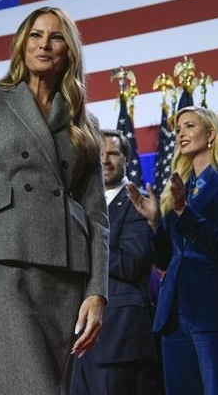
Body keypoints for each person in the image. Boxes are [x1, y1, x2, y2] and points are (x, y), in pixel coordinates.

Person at [0, 6, 109, 395]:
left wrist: (97, 292)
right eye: (35, 35)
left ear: (70, 51)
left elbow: (97, 216)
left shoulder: (85, 123)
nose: (44, 44)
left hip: (62, 273)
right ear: (21, 44)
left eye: (56, 36)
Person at [128, 106, 218, 395]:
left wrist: (184, 212)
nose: (181, 134)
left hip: (216, 313)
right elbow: (166, 259)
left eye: (189, 126)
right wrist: (155, 222)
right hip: (175, 316)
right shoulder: (179, 188)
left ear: (210, 134)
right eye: (178, 129)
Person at [71, 129, 157, 395]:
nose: (104, 160)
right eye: (99, 154)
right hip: (76, 341)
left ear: (126, 160)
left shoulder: (137, 201)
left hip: (118, 337)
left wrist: (81, 247)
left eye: (113, 154)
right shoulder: (78, 205)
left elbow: (131, 263)